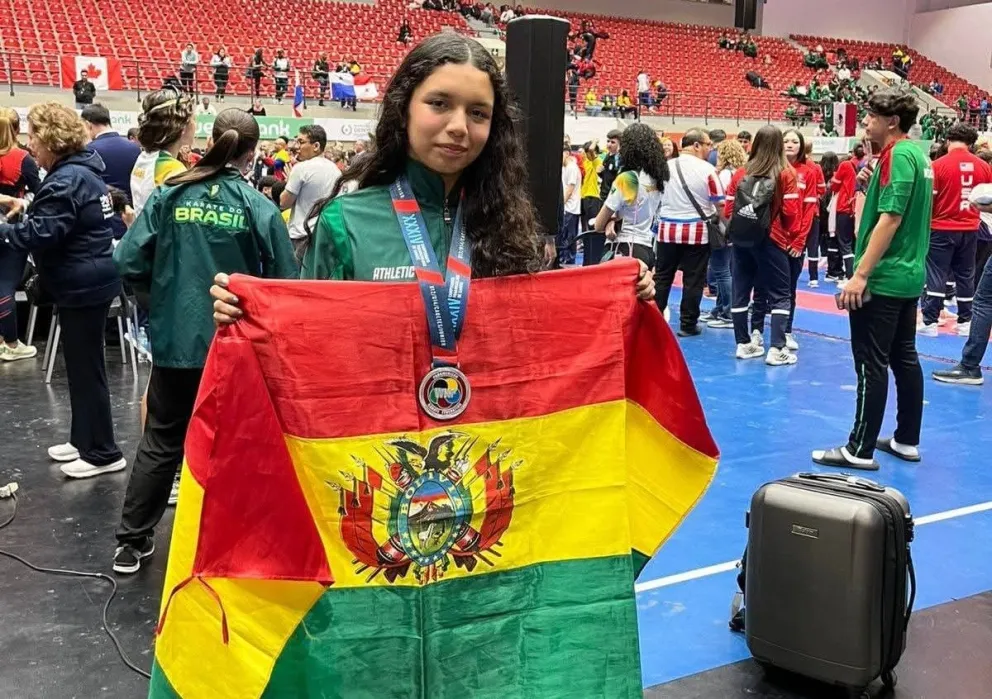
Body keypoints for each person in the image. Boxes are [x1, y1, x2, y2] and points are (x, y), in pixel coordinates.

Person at [211, 33, 653, 320]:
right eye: (439, 103)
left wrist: (621, 297)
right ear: (404, 108)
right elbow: (304, 335)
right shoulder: (346, 222)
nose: (460, 126)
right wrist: (248, 313)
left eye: (478, 112)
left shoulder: (511, 222)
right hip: (377, 454)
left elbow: (537, 333)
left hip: (487, 452)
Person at [111, 109, 298, 574]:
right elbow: (285, 285)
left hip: (175, 341)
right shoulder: (258, 207)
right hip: (236, 348)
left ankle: (131, 543)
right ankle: (234, 545)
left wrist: (164, 300)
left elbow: (127, 258)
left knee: (161, 439)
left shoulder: (169, 195)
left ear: (212, 140)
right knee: (237, 444)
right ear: (253, 153)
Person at [0, 102, 125, 477]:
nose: (30, 143)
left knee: (87, 371)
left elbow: (40, 235)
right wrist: (24, 206)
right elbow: (59, 219)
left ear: (52, 139)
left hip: (83, 283)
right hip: (90, 278)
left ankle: (103, 452)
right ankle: (84, 438)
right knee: (82, 368)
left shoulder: (66, 179)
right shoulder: (80, 173)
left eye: (35, 136)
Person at [813, 89, 932, 470]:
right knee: (904, 358)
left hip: (883, 278)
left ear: (891, 121)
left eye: (870, 118)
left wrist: (860, 274)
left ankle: (858, 448)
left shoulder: (898, 155)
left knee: (870, 362)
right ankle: (906, 439)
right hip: (909, 275)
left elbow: (892, 218)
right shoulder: (918, 155)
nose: (865, 124)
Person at [724, 125, 800, 365]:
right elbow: (791, 213)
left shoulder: (741, 173)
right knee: (780, 293)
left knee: (741, 290)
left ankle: (743, 344)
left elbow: (728, 210)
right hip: (771, 239)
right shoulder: (786, 173)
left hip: (741, 239)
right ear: (779, 145)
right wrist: (787, 233)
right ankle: (777, 348)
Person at [918, 122, 992, 337]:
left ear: (948, 140)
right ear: (970, 143)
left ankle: (930, 321)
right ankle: (965, 321)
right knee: (966, 274)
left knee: (936, 274)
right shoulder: (983, 166)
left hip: (941, 227)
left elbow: (929, 201)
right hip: (971, 227)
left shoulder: (937, 165)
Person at [655, 128, 724, 336]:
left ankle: (655, 320)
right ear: (696, 145)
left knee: (662, 277)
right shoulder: (707, 170)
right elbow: (719, 202)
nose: (709, 149)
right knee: (693, 280)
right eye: (707, 145)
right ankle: (687, 323)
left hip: (667, 230)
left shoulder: (663, 167)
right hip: (697, 231)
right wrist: (725, 225)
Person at [594, 122, 668, 270]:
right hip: (647, 247)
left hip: (625, 247)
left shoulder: (627, 179)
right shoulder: (659, 178)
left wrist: (611, 220)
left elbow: (598, 224)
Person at [0, 107, 41, 361]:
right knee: (5, 284)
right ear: (16, 129)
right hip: (11, 226)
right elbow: (41, 192)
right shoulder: (22, 158)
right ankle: (12, 344)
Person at [130, 88, 195, 218]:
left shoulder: (144, 157)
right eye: (194, 119)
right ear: (182, 128)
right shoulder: (172, 170)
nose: (196, 125)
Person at [80, 104, 141, 240]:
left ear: (88, 125)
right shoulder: (135, 149)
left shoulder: (89, 151)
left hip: (102, 225)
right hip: (130, 220)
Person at [705, 138, 747, 329]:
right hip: (735, 224)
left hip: (723, 225)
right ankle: (721, 308)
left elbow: (720, 203)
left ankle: (727, 311)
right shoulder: (740, 173)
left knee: (721, 269)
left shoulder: (723, 175)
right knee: (725, 269)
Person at [281, 125, 340, 256]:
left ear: (316, 146)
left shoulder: (300, 168)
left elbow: (283, 203)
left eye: (301, 142)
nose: (297, 147)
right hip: (326, 236)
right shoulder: (336, 170)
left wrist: (288, 181)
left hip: (301, 237)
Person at [830, 144, 860, 280]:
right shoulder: (868, 164)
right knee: (856, 244)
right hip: (861, 208)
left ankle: (850, 276)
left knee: (845, 244)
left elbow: (834, 185)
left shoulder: (846, 165)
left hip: (845, 207)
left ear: (853, 152)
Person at [559, 145, 582, 265]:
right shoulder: (565, 168)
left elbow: (570, 188)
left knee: (568, 239)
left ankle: (568, 263)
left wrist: (560, 205)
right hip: (568, 208)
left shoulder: (572, 168)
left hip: (570, 208)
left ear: (567, 153)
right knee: (565, 238)